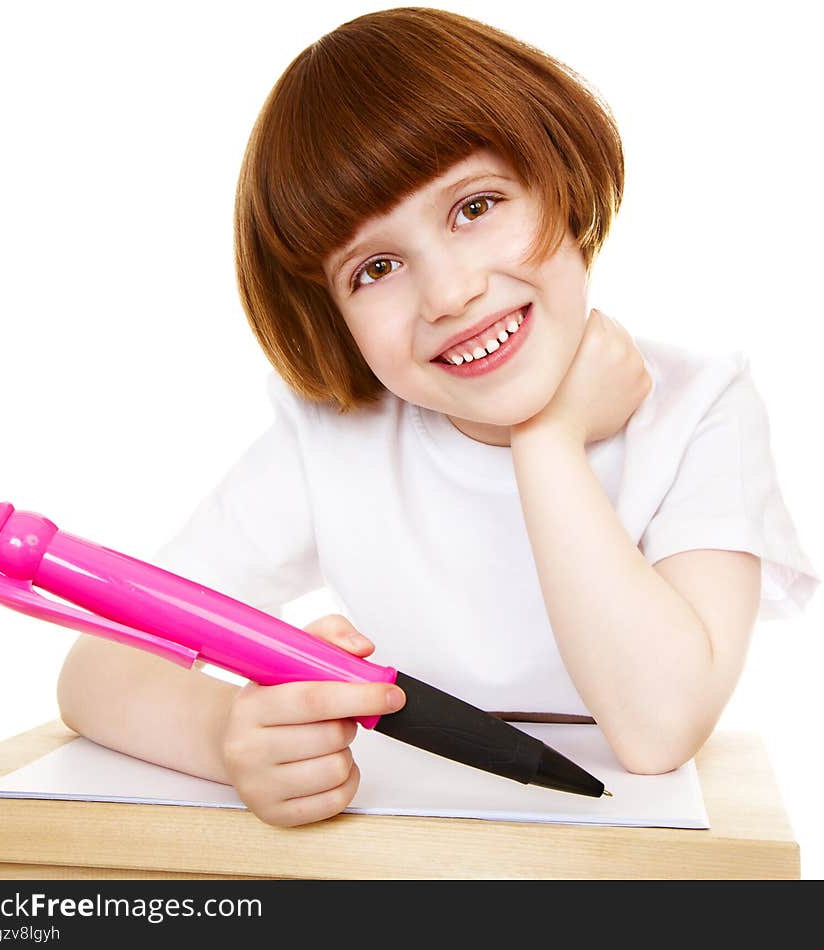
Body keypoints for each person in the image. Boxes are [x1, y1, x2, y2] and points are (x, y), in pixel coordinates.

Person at [56, 7, 819, 828]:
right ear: (332, 316)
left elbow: (660, 728)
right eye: (377, 267)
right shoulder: (334, 441)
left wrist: (548, 440)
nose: (451, 294)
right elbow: (95, 668)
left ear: (560, 182)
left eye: (475, 206)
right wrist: (228, 737)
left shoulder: (700, 408)